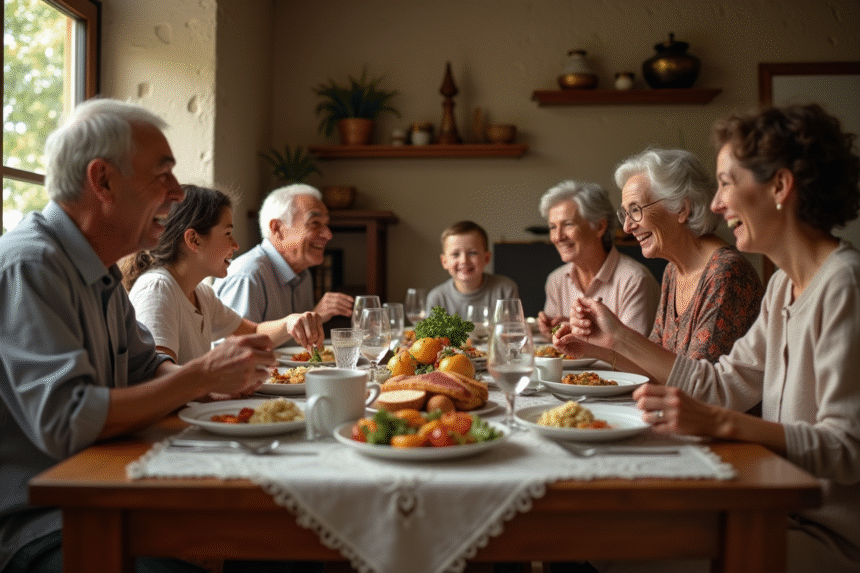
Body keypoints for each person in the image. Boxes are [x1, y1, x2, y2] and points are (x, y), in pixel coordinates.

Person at [556, 104, 860, 572]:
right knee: (591, 538)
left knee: (608, 548)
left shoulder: (844, 286)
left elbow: (846, 450)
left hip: (823, 530)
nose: (715, 205)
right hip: (771, 504)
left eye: (725, 183)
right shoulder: (783, 285)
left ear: (779, 187)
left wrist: (720, 423)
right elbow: (723, 382)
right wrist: (614, 338)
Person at [0, 99, 277, 572]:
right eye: (162, 173)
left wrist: (212, 378)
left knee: (275, 540)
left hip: (107, 486)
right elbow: (68, 419)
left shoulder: (99, 267)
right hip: (44, 518)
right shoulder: (32, 265)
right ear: (102, 180)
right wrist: (197, 377)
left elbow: (146, 368)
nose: (175, 192)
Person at [577, 148, 764, 374]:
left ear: (682, 209)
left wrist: (618, 335)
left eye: (635, 210)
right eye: (625, 214)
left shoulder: (725, 272)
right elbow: (656, 367)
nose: (627, 227)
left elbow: (698, 384)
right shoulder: (673, 270)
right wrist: (593, 347)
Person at [124, 184, 324, 367]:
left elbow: (254, 333)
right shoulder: (158, 288)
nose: (235, 245)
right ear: (194, 240)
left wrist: (290, 323)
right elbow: (159, 374)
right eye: (227, 233)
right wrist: (214, 382)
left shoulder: (202, 293)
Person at [536, 180, 659, 340]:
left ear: (600, 227)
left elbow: (636, 353)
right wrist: (554, 331)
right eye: (552, 227)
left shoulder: (635, 280)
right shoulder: (556, 280)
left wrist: (587, 335)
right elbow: (555, 347)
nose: (558, 237)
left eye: (568, 225)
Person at [214, 184, 353, 325]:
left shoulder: (304, 276)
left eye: (326, 224)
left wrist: (313, 320)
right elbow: (236, 346)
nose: (328, 235)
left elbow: (297, 345)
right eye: (314, 223)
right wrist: (314, 316)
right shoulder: (247, 277)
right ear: (277, 228)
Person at [425, 220, 519, 319]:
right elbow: (431, 334)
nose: (464, 261)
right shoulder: (437, 297)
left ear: (486, 258)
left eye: (472, 253)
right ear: (444, 261)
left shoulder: (505, 289)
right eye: (455, 254)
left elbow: (513, 330)